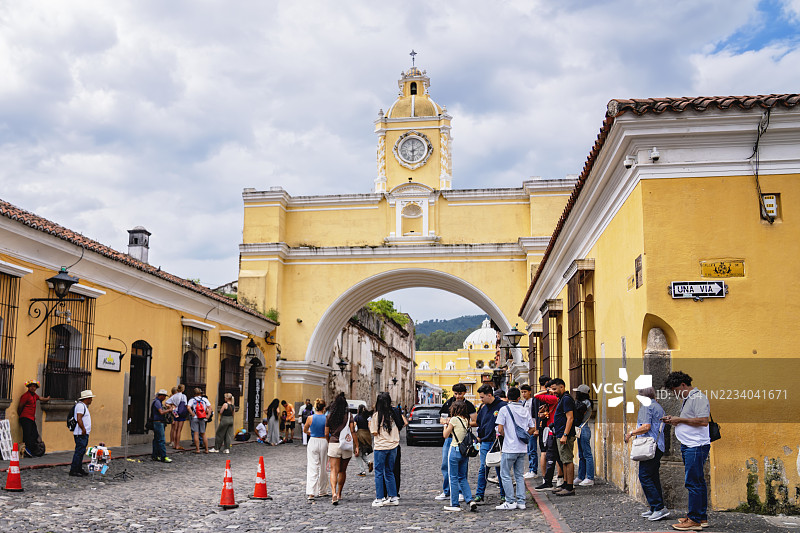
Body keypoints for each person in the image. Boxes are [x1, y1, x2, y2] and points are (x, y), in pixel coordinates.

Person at [663, 371, 711, 531]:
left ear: (683, 385)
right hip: (691, 444)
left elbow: (703, 421)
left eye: (675, 390)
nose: (675, 394)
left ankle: (694, 520)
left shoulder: (698, 397)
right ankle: (700, 517)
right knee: (698, 482)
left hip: (695, 446)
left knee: (693, 483)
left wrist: (680, 419)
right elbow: (692, 420)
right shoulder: (689, 398)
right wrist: (675, 421)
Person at [625, 386, 669, 521]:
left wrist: (631, 433)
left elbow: (646, 427)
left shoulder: (646, 407)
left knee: (644, 476)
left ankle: (658, 507)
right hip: (658, 445)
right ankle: (656, 507)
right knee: (653, 477)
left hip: (649, 446)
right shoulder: (657, 406)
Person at [495, 387, 536, 510]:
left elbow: (500, 429)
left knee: (505, 474)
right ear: (519, 398)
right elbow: (532, 428)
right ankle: (521, 501)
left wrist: (506, 436)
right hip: (522, 448)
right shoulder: (524, 410)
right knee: (519, 475)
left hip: (509, 447)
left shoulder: (504, 409)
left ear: (508, 398)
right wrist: (524, 435)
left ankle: (510, 501)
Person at [435, 383, 477, 501]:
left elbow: (475, 421)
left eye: (460, 394)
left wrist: (461, 423)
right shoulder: (448, 403)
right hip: (449, 438)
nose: (458, 396)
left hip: (462, 439)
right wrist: (446, 421)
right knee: (445, 464)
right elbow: (441, 419)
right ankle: (447, 491)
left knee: (462, 466)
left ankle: (460, 492)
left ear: (465, 393)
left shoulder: (469, 405)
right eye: (456, 394)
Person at [442, 400, 478, 512]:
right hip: (464, 452)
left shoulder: (454, 419)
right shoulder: (466, 420)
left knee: (453, 477)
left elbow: (445, 435)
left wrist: (445, 425)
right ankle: (469, 499)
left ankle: (454, 504)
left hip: (454, 450)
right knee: (462, 477)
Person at [473, 384, 506, 504]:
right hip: (485, 442)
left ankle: (503, 494)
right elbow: (480, 424)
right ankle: (479, 494)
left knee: (500, 469)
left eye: (482, 397)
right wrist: (479, 437)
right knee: (483, 468)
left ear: (489, 395)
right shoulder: (483, 408)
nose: (481, 399)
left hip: (498, 442)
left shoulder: (502, 406)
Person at [325, 392, 358, 505]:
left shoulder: (329, 416)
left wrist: (329, 441)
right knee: (342, 471)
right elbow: (352, 431)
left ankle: (333, 493)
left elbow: (326, 433)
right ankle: (339, 493)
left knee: (333, 470)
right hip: (346, 445)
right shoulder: (349, 416)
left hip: (334, 443)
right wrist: (356, 446)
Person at [369, 391, 400, 507]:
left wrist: (370, 425)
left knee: (378, 472)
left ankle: (379, 498)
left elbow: (374, 432)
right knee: (389, 471)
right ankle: (393, 497)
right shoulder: (394, 414)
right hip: (393, 446)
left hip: (381, 447)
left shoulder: (376, 416)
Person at [549, 378, 577, 496]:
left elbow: (570, 418)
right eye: (552, 389)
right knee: (563, 460)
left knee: (567, 460)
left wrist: (565, 435)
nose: (553, 392)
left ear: (562, 387)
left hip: (565, 435)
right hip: (560, 434)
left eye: (555, 389)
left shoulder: (566, 399)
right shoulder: (562, 399)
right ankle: (565, 484)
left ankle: (569, 487)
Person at [534, 379, 562, 491]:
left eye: (554, 389)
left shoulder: (553, 398)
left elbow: (536, 395)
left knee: (552, 457)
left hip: (553, 430)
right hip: (552, 430)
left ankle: (550, 481)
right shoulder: (556, 399)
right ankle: (555, 480)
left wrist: (547, 391)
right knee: (555, 457)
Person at [304, 398, 330, 500]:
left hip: (313, 441)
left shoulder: (310, 418)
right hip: (323, 441)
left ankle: (311, 492)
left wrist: (310, 433)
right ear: (324, 408)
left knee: (312, 467)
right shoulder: (327, 418)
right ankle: (322, 490)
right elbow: (328, 432)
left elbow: (305, 429)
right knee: (323, 467)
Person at [18, 379, 49, 457]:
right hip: (25, 418)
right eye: (31, 386)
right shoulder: (25, 396)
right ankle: (26, 451)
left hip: (31, 418)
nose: (33, 388)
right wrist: (21, 416)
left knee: (34, 434)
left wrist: (47, 399)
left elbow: (41, 398)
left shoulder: (35, 395)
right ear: (28, 387)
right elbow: (20, 406)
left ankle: (32, 450)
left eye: (34, 386)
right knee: (27, 435)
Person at [69, 389, 94, 477]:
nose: (91, 400)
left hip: (83, 433)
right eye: (90, 398)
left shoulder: (83, 406)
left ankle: (78, 468)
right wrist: (83, 429)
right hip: (80, 434)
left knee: (81, 451)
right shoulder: (80, 406)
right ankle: (74, 470)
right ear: (86, 398)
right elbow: (79, 418)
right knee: (79, 452)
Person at [573, 384, 595, 486]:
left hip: (584, 428)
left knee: (587, 454)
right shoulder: (583, 402)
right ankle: (581, 476)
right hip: (580, 428)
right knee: (581, 455)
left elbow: (578, 411)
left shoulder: (586, 403)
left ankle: (590, 477)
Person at [532, 375, 552, 480]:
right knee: (552, 452)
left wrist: (536, 429)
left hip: (540, 426)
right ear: (547, 383)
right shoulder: (547, 396)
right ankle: (558, 476)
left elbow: (534, 415)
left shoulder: (535, 398)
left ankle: (545, 477)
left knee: (543, 451)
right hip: (548, 425)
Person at [520, 383, 538, 479]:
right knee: (528, 450)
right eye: (522, 392)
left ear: (529, 392)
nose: (523, 394)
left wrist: (536, 428)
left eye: (525, 392)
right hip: (526, 429)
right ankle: (531, 468)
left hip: (532, 429)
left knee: (532, 450)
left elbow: (535, 416)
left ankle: (533, 470)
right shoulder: (523, 403)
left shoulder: (533, 401)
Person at [151, 389, 173, 463]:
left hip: (157, 422)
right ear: (161, 396)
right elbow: (161, 412)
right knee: (161, 440)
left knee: (157, 440)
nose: (165, 398)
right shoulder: (157, 402)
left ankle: (155, 455)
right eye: (164, 396)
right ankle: (163, 456)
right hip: (158, 422)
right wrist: (169, 410)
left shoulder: (157, 402)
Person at [188, 388, 211, 453]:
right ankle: (206, 449)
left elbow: (188, 407)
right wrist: (208, 415)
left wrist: (192, 413)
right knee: (203, 434)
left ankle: (197, 449)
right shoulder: (204, 399)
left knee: (196, 433)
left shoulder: (192, 400)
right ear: (200, 393)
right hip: (202, 417)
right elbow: (210, 408)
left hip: (195, 417)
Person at [166, 384, 188, 450]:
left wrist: (172, 408)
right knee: (179, 430)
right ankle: (177, 445)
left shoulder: (174, 396)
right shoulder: (183, 396)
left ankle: (174, 444)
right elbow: (185, 404)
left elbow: (167, 403)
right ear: (183, 389)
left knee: (175, 429)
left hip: (175, 412)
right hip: (181, 413)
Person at [354, 405, 373, 476]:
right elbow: (370, 425)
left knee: (357, 453)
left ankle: (362, 471)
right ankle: (368, 462)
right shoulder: (368, 417)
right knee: (362, 452)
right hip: (367, 435)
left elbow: (354, 426)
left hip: (360, 435)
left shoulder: (357, 417)